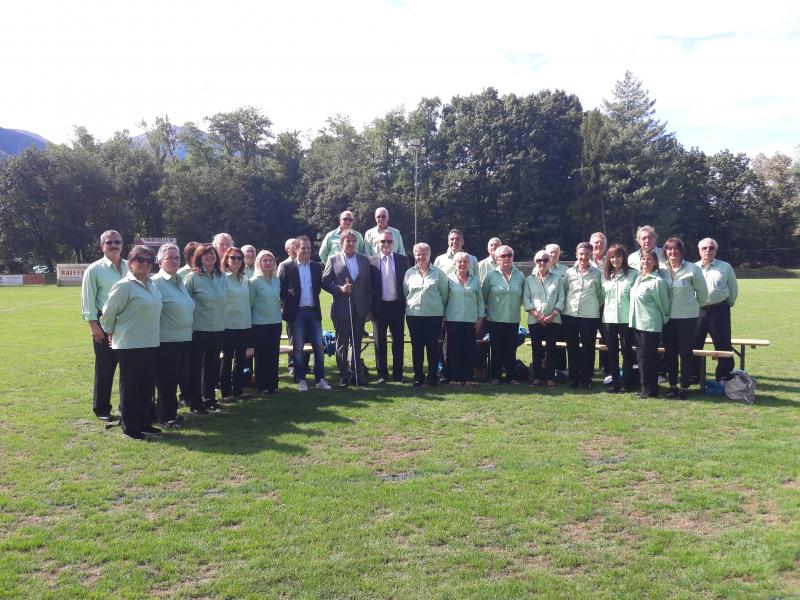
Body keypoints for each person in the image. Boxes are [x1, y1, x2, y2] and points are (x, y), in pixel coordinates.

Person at [99, 245, 162, 440]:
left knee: (145, 386)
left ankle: (144, 423)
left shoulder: (151, 284)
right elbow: (107, 314)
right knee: (131, 386)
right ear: (131, 262)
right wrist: (110, 332)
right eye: (140, 260)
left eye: (149, 261)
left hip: (150, 342)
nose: (145, 264)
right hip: (129, 344)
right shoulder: (124, 285)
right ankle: (129, 426)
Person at [81, 229, 128, 421]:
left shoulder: (130, 266)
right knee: (105, 368)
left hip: (128, 323)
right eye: (109, 242)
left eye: (117, 241)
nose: (114, 245)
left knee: (128, 368)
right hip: (104, 322)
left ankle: (127, 406)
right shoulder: (94, 269)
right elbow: (88, 300)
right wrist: (94, 326)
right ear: (102, 246)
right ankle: (102, 408)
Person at [280, 235, 332, 391]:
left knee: (319, 347)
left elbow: (321, 286)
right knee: (298, 348)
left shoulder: (316, 267)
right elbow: (281, 291)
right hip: (297, 314)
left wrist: (340, 289)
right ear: (296, 249)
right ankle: (301, 379)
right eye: (303, 248)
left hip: (314, 312)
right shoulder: (287, 267)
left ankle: (320, 379)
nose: (306, 251)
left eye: (309, 248)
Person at [152, 243, 195, 428]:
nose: (174, 261)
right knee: (166, 382)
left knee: (176, 379)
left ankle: (171, 414)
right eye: (169, 257)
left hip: (183, 339)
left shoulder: (179, 281)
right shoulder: (155, 282)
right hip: (165, 341)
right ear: (160, 261)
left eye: (177, 257)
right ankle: (166, 418)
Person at [322, 230, 372, 387]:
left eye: (353, 241)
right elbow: (324, 282)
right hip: (341, 308)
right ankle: (343, 375)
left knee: (356, 343)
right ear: (341, 243)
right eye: (347, 241)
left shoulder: (364, 260)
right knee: (342, 343)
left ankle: (356, 374)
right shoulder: (333, 259)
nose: (350, 243)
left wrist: (369, 308)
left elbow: (368, 285)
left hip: (360, 309)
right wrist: (340, 289)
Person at [661, 237, 708, 399]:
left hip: (687, 318)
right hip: (667, 319)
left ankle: (685, 386)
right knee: (670, 353)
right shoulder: (661, 269)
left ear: (681, 251)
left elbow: (703, 293)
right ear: (665, 252)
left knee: (686, 353)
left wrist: (692, 307)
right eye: (669, 249)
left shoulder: (693, 269)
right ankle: (672, 385)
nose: (672, 252)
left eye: (676, 249)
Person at [184, 243, 227, 414]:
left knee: (212, 366)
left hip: (217, 328)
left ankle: (209, 399)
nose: (210, 257)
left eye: (212, 254)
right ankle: (195, 402)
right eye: (206, 254)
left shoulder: (221, 276)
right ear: (199, 258)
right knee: (196, 367)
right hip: (198, 329)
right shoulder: (193, 277)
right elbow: (185, 303)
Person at [404, 243, 449, 386]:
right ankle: (418, 376)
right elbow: (406, 292)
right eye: (418, 254)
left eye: (424, 254)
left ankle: (432, 376)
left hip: (433, 316)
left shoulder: (439, 273)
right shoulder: (409, 273)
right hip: (414, 316)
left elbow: (445, 295)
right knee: (416, 347)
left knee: (432, 347)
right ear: (414, 255)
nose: (421, 256)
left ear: (430, 255)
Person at [693, 237, 738, 382]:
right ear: (699, 250)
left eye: (711, 248)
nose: (707, 250)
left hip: (719, 310)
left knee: (723, 343)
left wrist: (726, 304)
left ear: (716, 250)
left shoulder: (725, 267)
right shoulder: (692, 268)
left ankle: (724, 375)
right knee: (694, 342)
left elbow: (733, 289)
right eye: (704, 248)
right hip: (697, 310)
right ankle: (695, 375)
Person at [560, 242, 604, 389]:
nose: (583, 257)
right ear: (576, 254)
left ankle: (586, 378)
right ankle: (573, 378)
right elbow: (565, 291)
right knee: (572, 347)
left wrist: (591, 306)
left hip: (590, 316)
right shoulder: (569, 273)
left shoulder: (597, 274)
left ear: (591, 255)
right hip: (570, 314)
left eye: (586, 254)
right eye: (581, 254)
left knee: (588, 348)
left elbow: (601, 295)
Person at [369, 229, 410, 384]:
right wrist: (369, 310)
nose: (386, 244)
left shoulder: (402, 260)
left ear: (393, 243)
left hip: (397, 307)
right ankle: (382, 375)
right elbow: (368, 287)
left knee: (398, 343)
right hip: (379, 308)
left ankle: (398, 375)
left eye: (389, 241)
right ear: (378, 243)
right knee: (380, 344)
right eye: (382, 241)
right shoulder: (371, 261)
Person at [629, 249, 670, 399]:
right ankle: (644, 388)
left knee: (649, 359)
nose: (645, 262)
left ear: (655, 263)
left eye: (649, 260)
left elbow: (664, 305)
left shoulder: (657, 282)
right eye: (643, 259)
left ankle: (652, 390)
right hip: (637, 324)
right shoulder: (639, 278)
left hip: (650, 326)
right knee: (641, 358)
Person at [482, 245, 526, 384]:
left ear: (513, 257)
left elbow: (524, 296)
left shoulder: (520, 275)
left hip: (513, 318)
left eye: (509, 255)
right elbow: (483, 297)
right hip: (495, 318)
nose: (506, 258)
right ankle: (495, 376)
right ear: (497, 258)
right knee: (496, 349)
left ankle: (511, 376)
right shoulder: (490, 276)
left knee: (511, 349)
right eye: (503, 256)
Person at [601, 243, 638, 393]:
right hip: (608, 319)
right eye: (612, 257)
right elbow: (601, 296)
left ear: (624, 257)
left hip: (626, 318)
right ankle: (615, 382)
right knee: (612, 352)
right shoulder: (604, 276)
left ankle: (626, 383)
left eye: (618, 256)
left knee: (627, 351)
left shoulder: (633, 274)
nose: (615, 259)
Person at [524, 249, 563, 387]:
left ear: (550, 262)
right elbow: (526, 300)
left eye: (545, 260)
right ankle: (537, 377)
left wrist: (552, 315)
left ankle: (550, 377)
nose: (542, 262)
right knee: (536, 349)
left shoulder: (558, 278)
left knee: (551, 349)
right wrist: (538, 315)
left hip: (553, 320)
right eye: (539, 260)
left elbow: (561, 298)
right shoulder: (529, 280)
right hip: (535, 320)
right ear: (535, 262)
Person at [445, 253, 484, 385]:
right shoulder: (448, 279)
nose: (462, 264)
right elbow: (444, 299)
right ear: (454, 264)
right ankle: (454, 378)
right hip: (452, 319)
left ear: (469, 264)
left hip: (470, 320)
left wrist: (480, 318)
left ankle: (467, 378)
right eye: (459, 262)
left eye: (465, 262)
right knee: (453, 349)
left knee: (469, 349)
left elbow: (480, 301)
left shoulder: (475, 280)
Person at [220, 247, 251, 401]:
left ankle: (238, 389)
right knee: (227, 359)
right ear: (226, 259)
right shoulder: (222, 278)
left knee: (241, 358)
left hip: (244, 324)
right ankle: (226, 392)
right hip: (229, 325)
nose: (237, 261)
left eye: (240, 258)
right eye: (233, 257)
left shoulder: (244, 278)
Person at [250, 250, 282, 395]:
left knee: (273, 355)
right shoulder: (254, 281)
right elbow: (250, 304)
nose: (268, 263)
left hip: (276, 322)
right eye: (265, 260)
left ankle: (273, 385)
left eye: (271, 260)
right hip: (259, 324)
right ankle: (261, 385)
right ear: (259, 263)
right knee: (262, 355)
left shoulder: (277, 280)